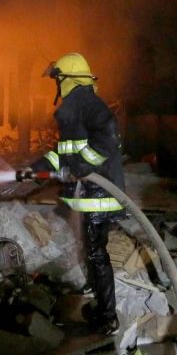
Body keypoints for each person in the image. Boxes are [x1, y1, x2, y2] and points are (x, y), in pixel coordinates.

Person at [25, 52, 125, 335]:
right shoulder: (76, 108)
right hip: (88, 195)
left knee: (96, 252)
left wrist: (81, 166)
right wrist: (37, 169)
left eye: (56, 80)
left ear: (65, 80)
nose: (55, 86)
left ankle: (108, 317)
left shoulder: (87, 104)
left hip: (98, 195)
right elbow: (64, 153)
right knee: (90, 249)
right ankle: (95, 290)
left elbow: (107, 135)